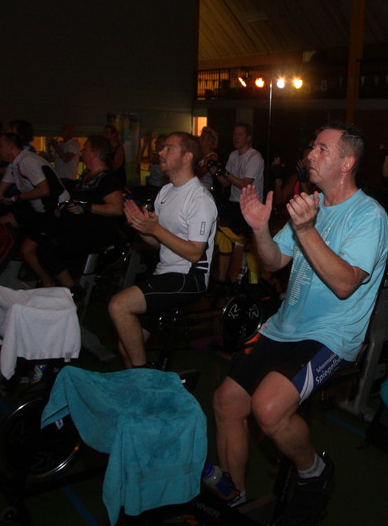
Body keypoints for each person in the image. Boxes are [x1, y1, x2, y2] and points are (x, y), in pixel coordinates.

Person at [213, 121, 388, 526]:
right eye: (312, 147)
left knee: (268, 408)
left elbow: (345, 283)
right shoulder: (311, 204)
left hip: (331, 335)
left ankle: (314, 471)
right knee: (226, 401)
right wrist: (260, 228)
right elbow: (274, 261)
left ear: (346, 163)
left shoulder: (369, 216)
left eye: (322, 149)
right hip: (285, 326)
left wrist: (307, 229)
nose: (310, 154)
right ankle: (234, 497)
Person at [108, 132, 217, 368]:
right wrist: (141, 227)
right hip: (165, 273)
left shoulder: (199, 199)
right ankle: (139, 384)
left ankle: (143, 374)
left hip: (190, 278)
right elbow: (159, 243)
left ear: (187, 157)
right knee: (126, 346)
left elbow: (194, 253)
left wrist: (155, 229)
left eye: (169, 149)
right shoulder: (165, 192)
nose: (160, 152)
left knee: (119, 305)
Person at [22, 134, 128, 292]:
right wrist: (64, 207)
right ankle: (59, 288)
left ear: (94, 153)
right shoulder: (86, 176)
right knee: (41, 241)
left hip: (95, 232)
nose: (82, 152)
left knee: (46, 250)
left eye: (85, 149)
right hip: (76, 228)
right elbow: (78, 201)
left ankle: (72, 290)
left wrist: (88, 207)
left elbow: (117, 208)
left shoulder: (107, 178)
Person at [0, 132, 68, 234]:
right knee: (2, 223)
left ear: (11, 146)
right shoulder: (14, 165)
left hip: (55, 209)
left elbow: (44, 190)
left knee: (24, 243)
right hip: (38, 208)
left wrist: (16, 198)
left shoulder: (27, 161)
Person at [213, 122, 265, 291]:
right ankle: (223, 281)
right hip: (235, 203)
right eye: (235, 134)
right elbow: (225, 183)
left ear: (248, 137)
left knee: (237, 238)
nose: (236, 137)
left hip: (251, 205)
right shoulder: (233, 155)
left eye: (240, 134)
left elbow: (245, 184)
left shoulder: (254, 157)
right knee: (220, 231)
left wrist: (226, 173)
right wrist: (216, 172)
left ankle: (247, 281)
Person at [50, 124, 81, 188]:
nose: (62, 131)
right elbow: (51, 158)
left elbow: (66, 159)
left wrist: (56, 147)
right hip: (58, 177)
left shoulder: (73, 144)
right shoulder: (59, 144)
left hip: (68, 178)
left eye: (64, 129)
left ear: (71, 133)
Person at [196, 126, 220, 192]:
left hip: (205, 190)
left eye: (203, 138)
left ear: (210, 142)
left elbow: (199, 174)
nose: (199, 139)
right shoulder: (199, 154)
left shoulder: (212, 157)